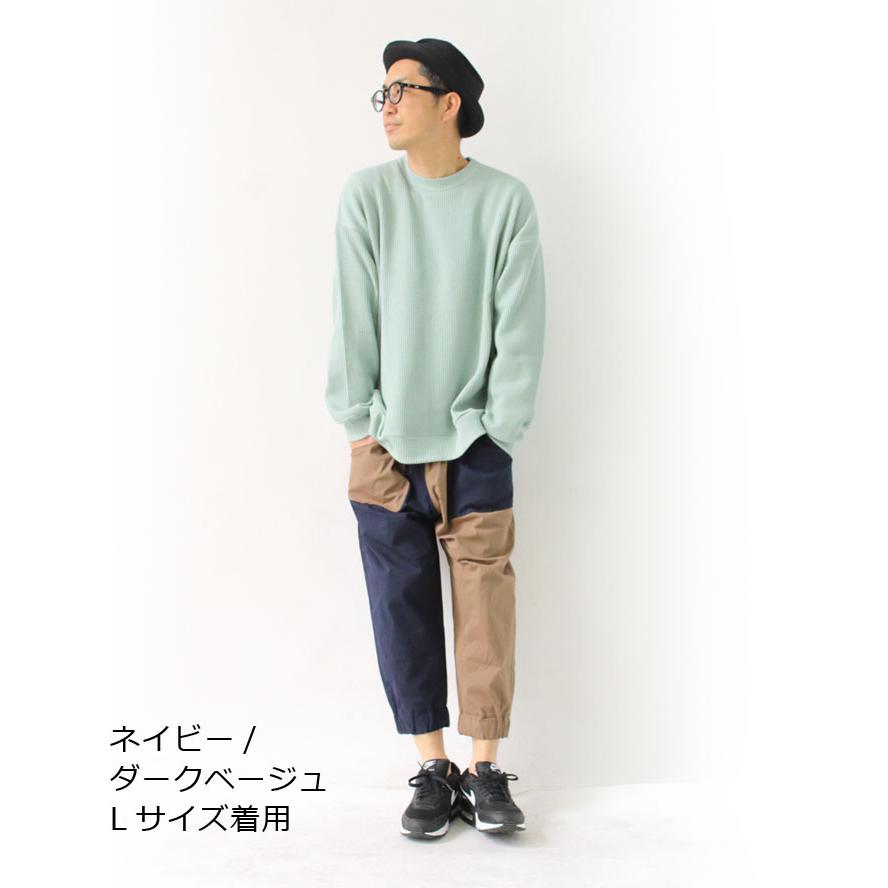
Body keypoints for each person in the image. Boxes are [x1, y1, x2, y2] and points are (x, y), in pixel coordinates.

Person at [324, 37, 546, 838]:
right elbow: (353, 317)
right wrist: (359, 427)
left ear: (449, 103)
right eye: (381, 93)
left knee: (486, 609)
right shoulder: (368, 196)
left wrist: (499, 429)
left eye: (402, 90)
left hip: (476, 444)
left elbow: (520, 327)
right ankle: (432, 765)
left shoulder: (504, 201)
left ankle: (484, 768)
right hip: (385, 446)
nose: (386, 106)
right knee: (401, 607)